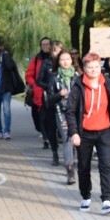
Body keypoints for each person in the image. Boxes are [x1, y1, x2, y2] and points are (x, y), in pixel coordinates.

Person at [66, 52, 110, 214]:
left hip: (104, 131)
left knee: (106, 165)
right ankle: (85, 196)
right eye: (90, 67)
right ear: (84, 68)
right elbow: (70, 110)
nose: (93, 70)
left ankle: (107, 200)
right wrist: (74, 133)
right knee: (84, 167)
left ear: (101, 68)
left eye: (97, 67)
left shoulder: (107, 83)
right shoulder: (78, 85)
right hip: (84, 133)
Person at [44, 49, 80, 184]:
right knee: (67, 138)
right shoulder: (54, 77)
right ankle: (70, 170)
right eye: (62, 59)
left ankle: (75, 161)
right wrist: (59, 94)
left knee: (77, 138)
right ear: (58, 62)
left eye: (67, 59)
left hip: (76, 112)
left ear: (72, 61)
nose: (65, 62)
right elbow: (49, 99)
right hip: (61, 112)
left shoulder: (78, 76)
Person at [36, 40, 64, 166]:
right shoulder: (46, 64)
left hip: (64, 101)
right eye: (54, 50)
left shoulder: (65, 63)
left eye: (59, 50)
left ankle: (70, 154)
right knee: (51, 128)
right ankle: (54, 153)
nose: (57, 53)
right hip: (51, 100)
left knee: (65, 128)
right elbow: (39, 80)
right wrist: (49, 86)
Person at [25, 36, 53, 148]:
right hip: (40, 92)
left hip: (53, 91)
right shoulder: (37, 59)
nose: (45, 46)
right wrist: (35, 84)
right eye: (43, 45)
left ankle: (52, 136)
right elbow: (29, 75)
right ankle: (45, 138)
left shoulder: (55, 57)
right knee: (42, 116)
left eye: (47, 44)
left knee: (52, 116)